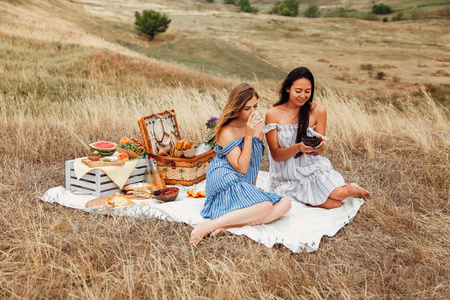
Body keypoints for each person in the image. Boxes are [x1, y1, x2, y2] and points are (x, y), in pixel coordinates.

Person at [190, 83, 291, 246]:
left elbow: (255, 161)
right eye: (247, 108)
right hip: (224, 177)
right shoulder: (226, 131)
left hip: (242, 180)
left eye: (255, 106)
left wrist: (252, 188)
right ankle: (209, 225)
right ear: (236, 108)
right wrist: (248, 136)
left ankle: (224, 224)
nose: (253, 112)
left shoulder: (259, 127)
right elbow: (242, 167)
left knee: (285, 204)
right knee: (265, 207)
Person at [264, 67, 370, 209]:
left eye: (307, 91)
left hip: (311, 169)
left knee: (339, 194)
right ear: (288, 88)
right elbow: (276, 155)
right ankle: (316, 193)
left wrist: (315, 148)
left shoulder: (318, 111)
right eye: (298, 91)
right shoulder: (273, 114)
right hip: (286, 175)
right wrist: (298, 147)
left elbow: (321, 150)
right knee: (334, 204)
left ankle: (352, 189)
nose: (303, 96)